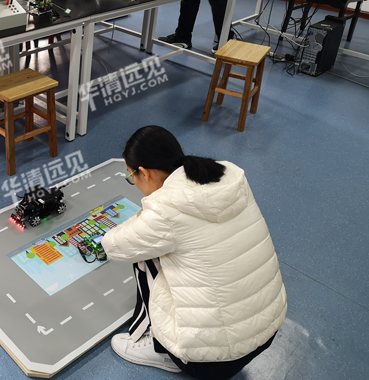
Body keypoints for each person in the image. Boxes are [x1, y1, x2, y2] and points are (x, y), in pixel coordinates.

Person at [102, 126, 286, 379]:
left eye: (130, 176)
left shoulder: (164, 209)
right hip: (268, 328)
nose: (132, 182)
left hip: (212, 360)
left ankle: (161, 349)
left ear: (144, 173)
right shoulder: (229, 173)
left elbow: (113, 246)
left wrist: (143, 215)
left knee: (144, 256)